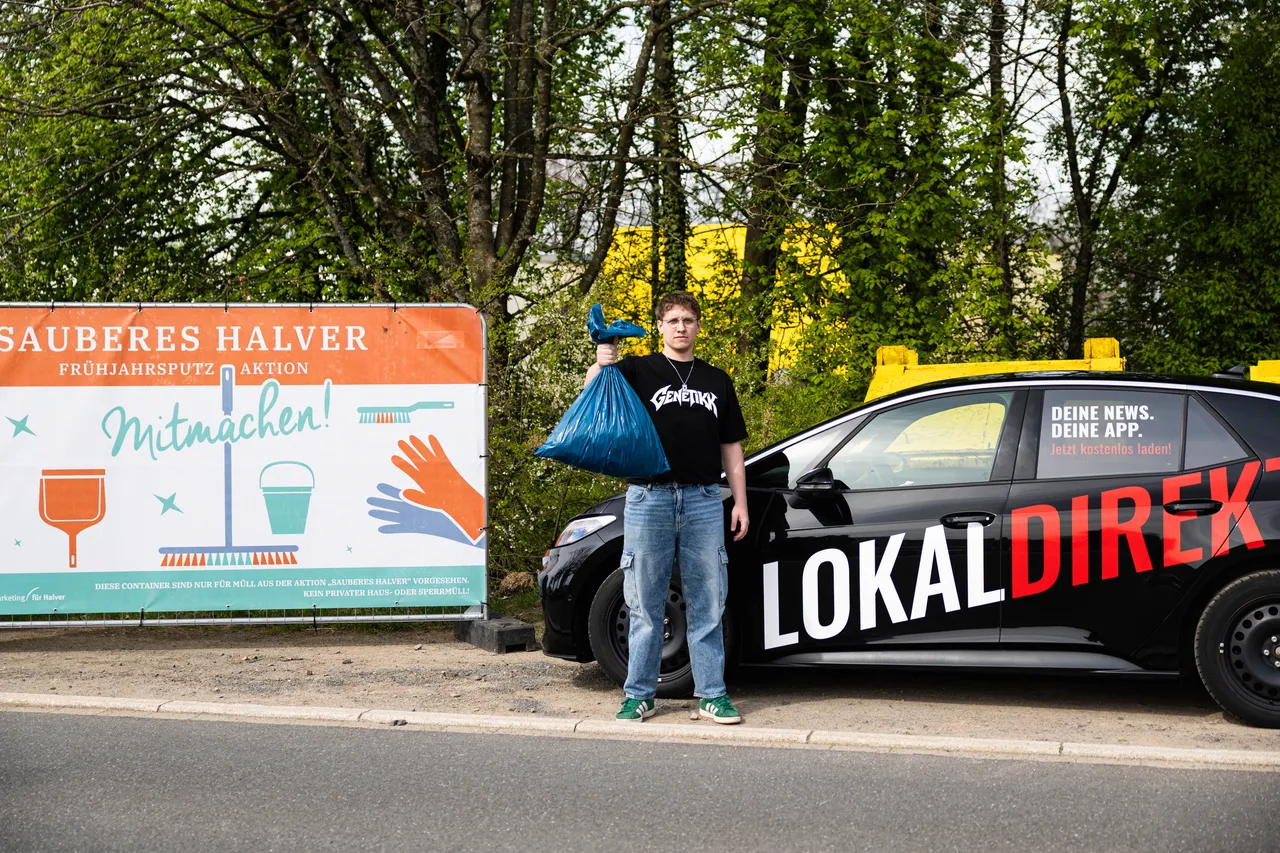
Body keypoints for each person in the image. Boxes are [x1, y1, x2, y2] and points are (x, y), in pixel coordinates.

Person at [585, 291, 749, 724]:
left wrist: (741, 504)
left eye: (688, 320)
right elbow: (591, 397)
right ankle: (639, 694)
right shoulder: (638, 370)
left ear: (698, 326)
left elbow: (731, 447)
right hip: (648, 498)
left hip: (703, 499)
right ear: (659, 326)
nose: (681, 327)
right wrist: (602, 364)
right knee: (643, 602)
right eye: (673, 320)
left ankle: (712, 693)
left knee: (708, 601)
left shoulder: (717, 380)